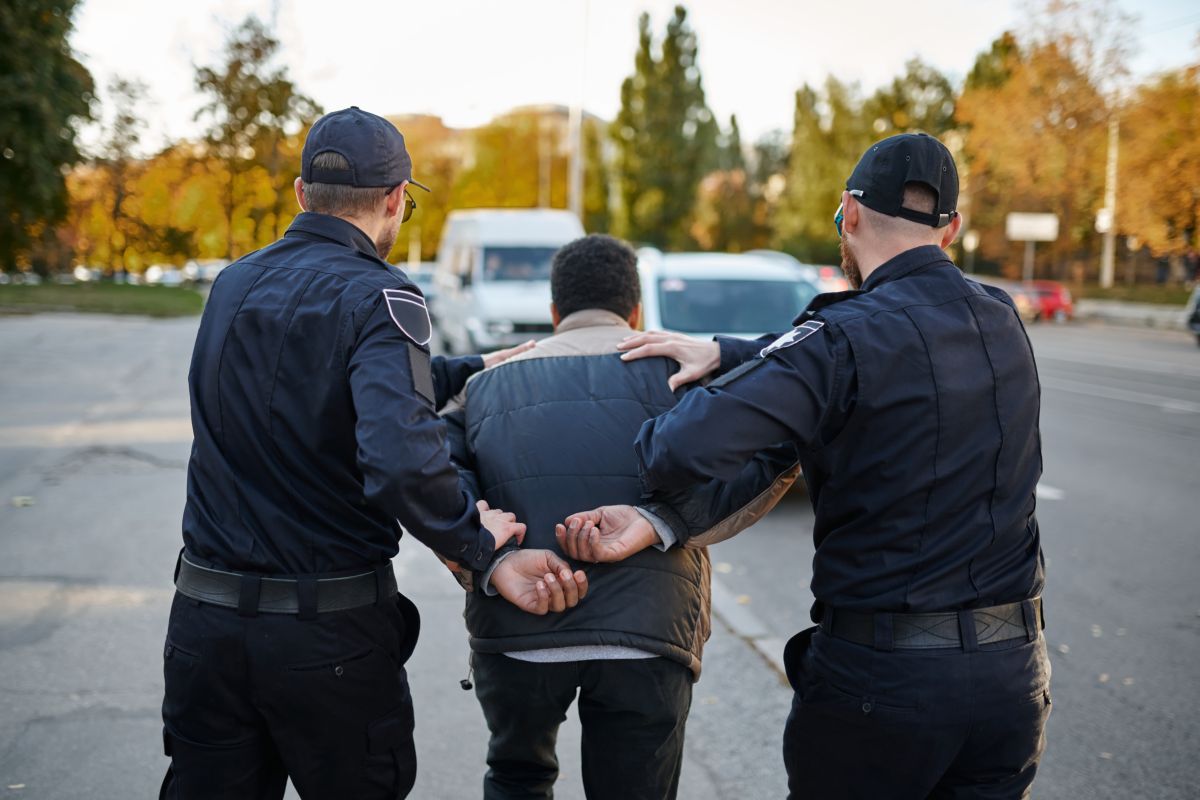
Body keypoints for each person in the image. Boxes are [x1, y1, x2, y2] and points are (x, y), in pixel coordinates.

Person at [562, 133, 1051, 799]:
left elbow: (677, 450)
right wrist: (732, 351)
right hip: (1012, 680)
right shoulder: (999, 315)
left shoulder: (841, 338)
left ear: (849, 213)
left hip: (885, 685)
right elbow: (877, 350)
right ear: (952, 228)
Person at [160, 106, 588, 800]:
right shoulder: (381, 293)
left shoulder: (233, 284)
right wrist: (476, 544)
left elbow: (302, 388)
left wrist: (467, 366)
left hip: (204, 628)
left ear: (303, 195)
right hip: (324, 637)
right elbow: (397, 457)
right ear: (395, 201)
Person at [442, 234, 798, 800]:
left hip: (515, 630)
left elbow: (437, 488)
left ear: (555, 312)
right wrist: (662, 521)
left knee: (517, 777)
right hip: (648, 632)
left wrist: (490, 563)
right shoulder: (685, 379)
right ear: (634, 311)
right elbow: (766, 457)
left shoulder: (480, 390)